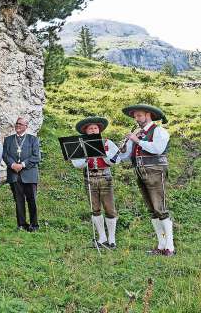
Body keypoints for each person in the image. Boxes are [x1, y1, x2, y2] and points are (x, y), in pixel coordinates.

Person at [118, 104, 174, 256]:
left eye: (139, 116)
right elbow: (126, 156)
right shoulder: (137, 132)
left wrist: (136, 140)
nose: (136, 119)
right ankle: (161, 245)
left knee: (160, 208)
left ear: (148, 115)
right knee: (152, 210)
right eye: (135, 116)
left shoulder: (159, 131)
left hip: (155, 170)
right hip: (140, 171)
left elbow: (157, 149)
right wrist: (121, 149)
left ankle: (170, 247)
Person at [71, 116, 119, 249]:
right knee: (95, 208)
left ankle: (112, 238)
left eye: (95, 128)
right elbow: (76, 164)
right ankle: (101, 237)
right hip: (89, 177)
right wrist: (85, 158)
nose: (93, 130)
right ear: (86, 131)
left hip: (105, 177)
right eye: (90, 128)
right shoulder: (81, 145)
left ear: (99, 130)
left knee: (110, 208)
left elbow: (116, 160)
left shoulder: (107, 142)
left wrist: (104, 154)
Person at [2, 117, 41, 232]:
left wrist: (22, 165)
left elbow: (36, 157)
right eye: (17, 123)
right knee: (18, 200)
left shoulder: (33, 139)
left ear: (26, 126)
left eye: (20, 124)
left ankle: (34, 225)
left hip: (29, 174)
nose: (18, 125)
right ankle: (22, 224)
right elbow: (5, 155)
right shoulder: (8, 139)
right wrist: (12, 164)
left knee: (32, 200)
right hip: (14, 175)